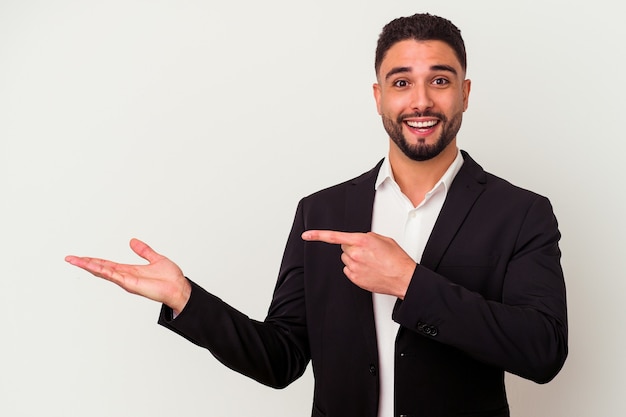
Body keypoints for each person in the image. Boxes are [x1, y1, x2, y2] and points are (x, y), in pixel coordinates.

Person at [65, 13, 568, 417]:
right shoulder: (322, 211)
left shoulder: (521, 213)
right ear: (378, 97)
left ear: (465, 93)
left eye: (440, 80)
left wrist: (411, 283)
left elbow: (542, 350)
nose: (420, 100)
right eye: (400, 82)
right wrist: (186, 299)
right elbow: (281, 357)